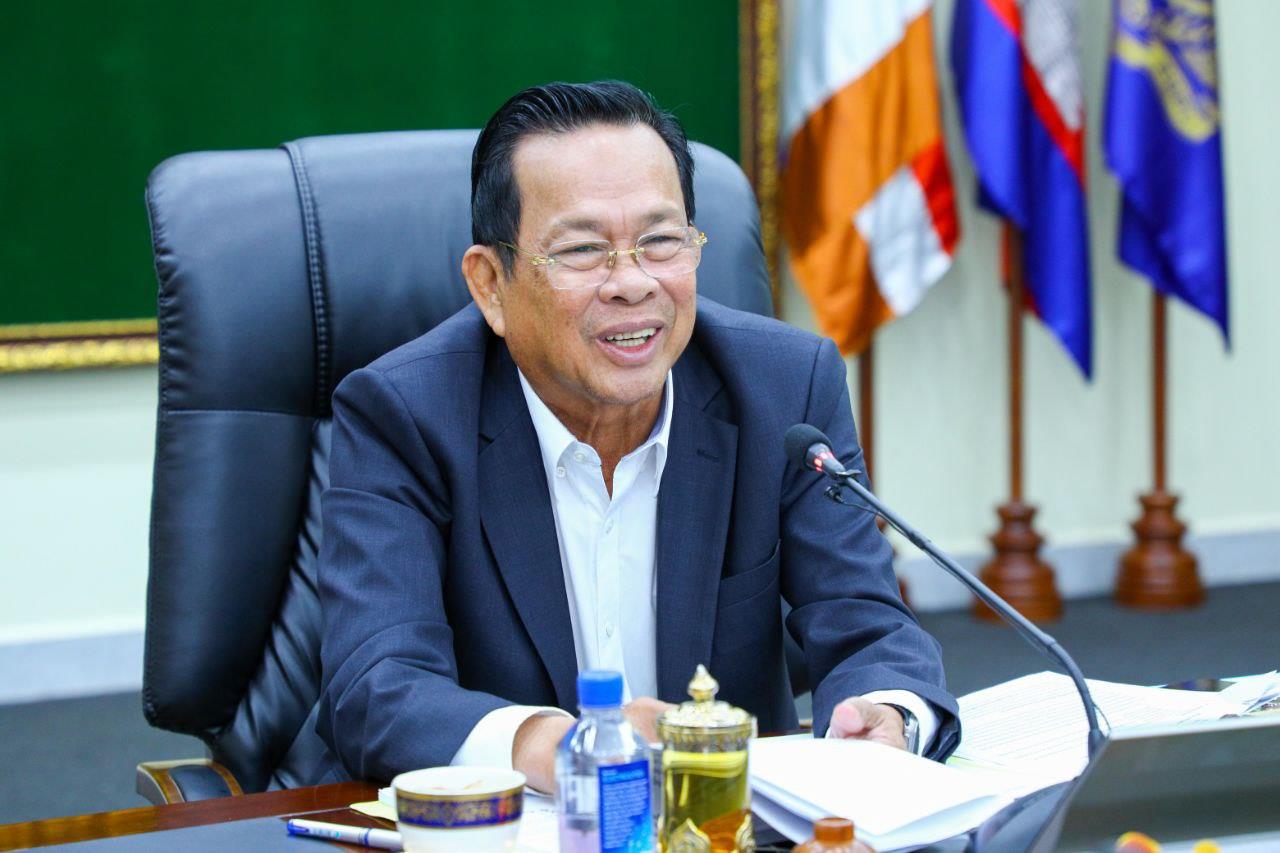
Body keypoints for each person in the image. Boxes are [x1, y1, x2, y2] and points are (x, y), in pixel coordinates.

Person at [316, 80, 959, 792]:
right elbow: (376, 686)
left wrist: (888, 713)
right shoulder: (404, 414)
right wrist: (568, 748)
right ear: (491, 285)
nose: (632, 283)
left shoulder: (785, 388)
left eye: (660, 241)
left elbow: (869, 627)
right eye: (583, 250)